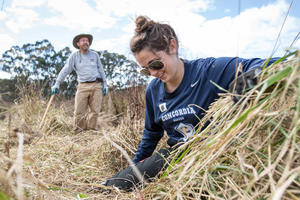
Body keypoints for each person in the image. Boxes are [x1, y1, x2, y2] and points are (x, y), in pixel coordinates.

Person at [99, 16, 278, 191]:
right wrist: (134, 168)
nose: (153, 73)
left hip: (217, 154)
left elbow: (270, 64)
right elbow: (151, 135)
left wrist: (249, 81)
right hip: (177, 158)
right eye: (146, 70)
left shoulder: (209, 71)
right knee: (119, 183)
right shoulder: (153, 90)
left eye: (155, 64)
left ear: (172, 46)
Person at [51, 33, 108, 133]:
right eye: (83, 40)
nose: (86, 42)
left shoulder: (95, 55)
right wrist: (57, 83)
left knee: (95, 111)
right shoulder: (75, 56)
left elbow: (101, 70)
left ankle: (91, 132)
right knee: (79, 111)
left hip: (96, 85)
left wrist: (105, 84)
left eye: (87, 40)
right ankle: (79, 132)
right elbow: (66, 69)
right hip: (82, 86)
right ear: (78, 44)